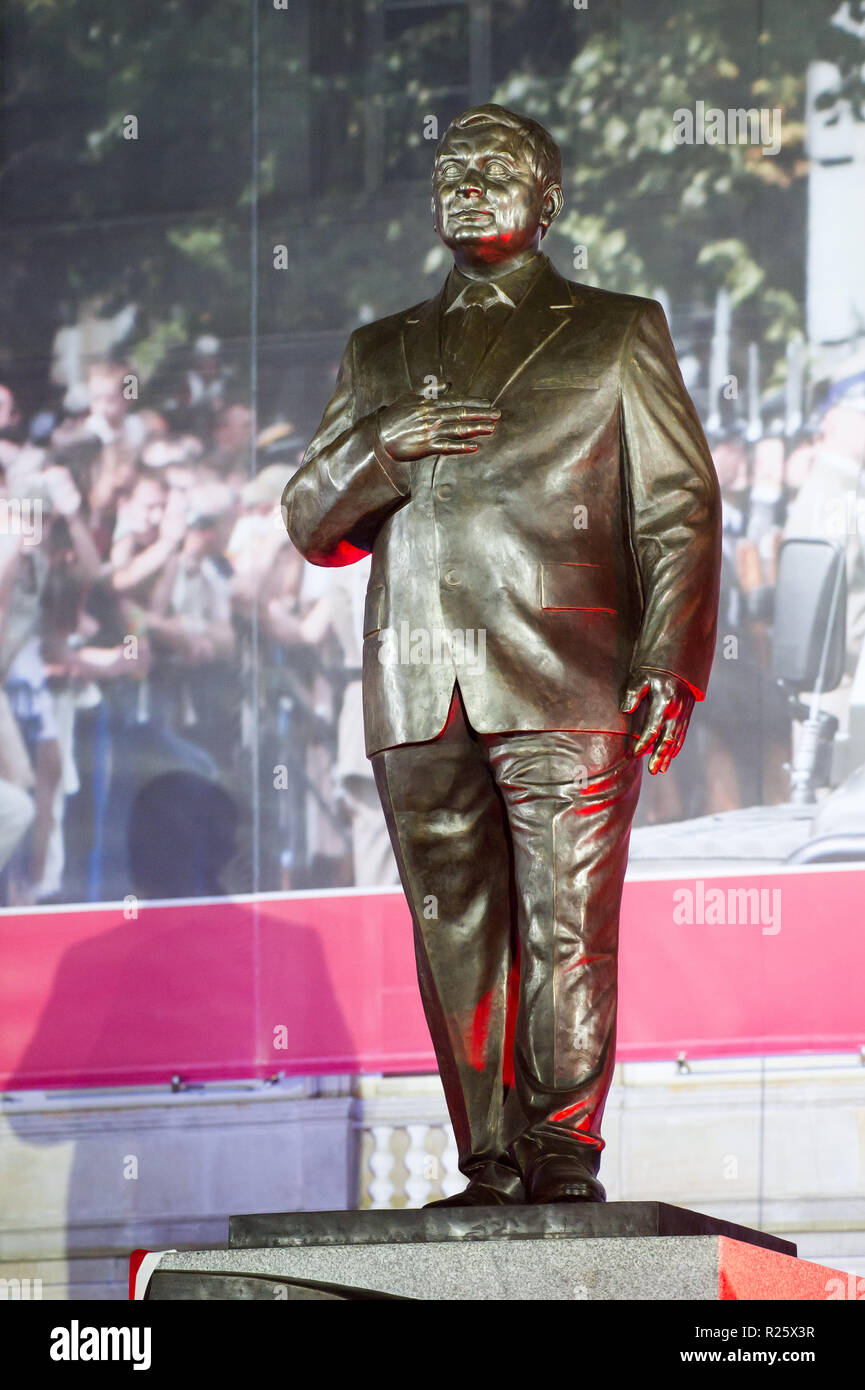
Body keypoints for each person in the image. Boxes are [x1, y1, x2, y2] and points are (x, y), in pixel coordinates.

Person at [289, 103, 724, 1207]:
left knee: (568, 925)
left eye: (494, 167)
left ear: (548, 198)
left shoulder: (614, 330)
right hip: (416, 689)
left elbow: (674, 507)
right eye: (450, 167)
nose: (467, 182)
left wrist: (668, 657)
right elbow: (309, 518)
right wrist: (385, 450)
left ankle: (562, 1152)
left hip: (564, 680)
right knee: (457, 943)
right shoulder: (378, 350)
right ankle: (489, 1162)